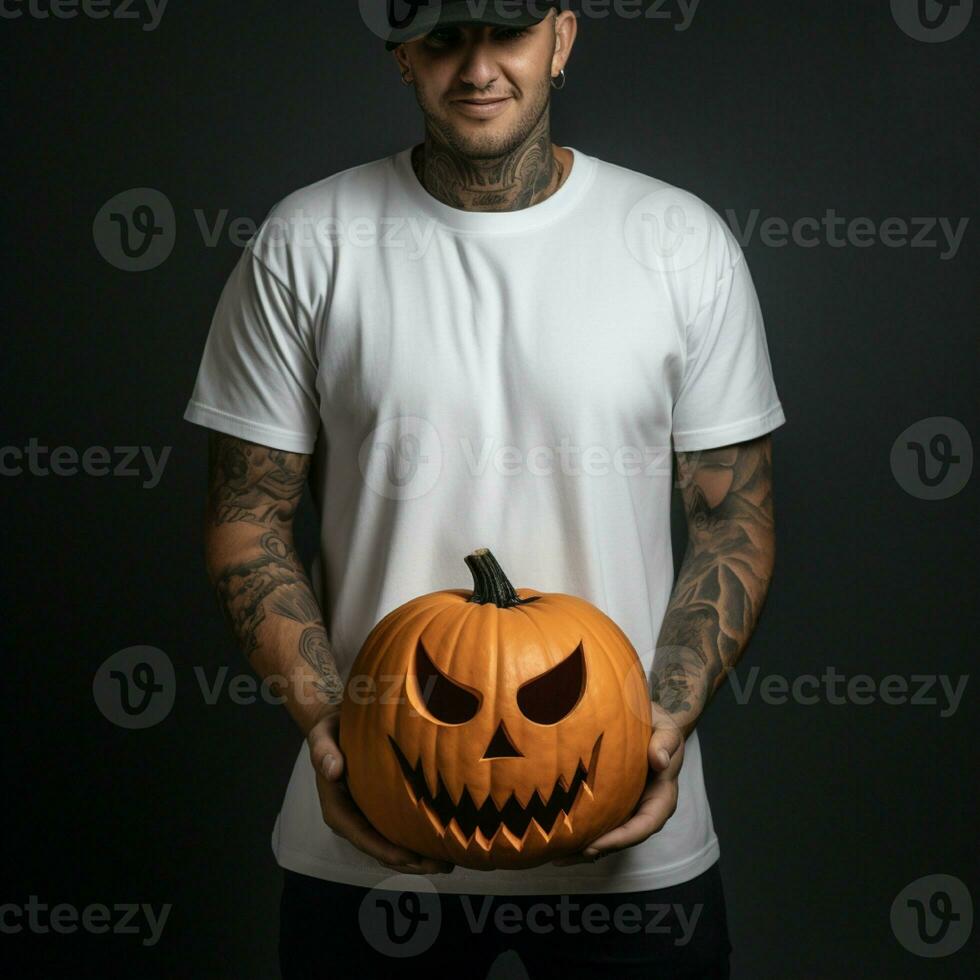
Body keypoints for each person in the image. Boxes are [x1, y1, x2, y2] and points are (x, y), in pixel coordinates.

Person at [183, 3, 786, 976]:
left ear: (560, 36)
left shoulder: (678, 241)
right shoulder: (307, 242)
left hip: (625, 845)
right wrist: (335, 739)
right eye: (444, 36)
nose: (476, 67)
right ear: (400, 54)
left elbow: (732, 522)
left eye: (503, 31)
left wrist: (664, 717)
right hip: (368, 846)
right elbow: (246, 522)